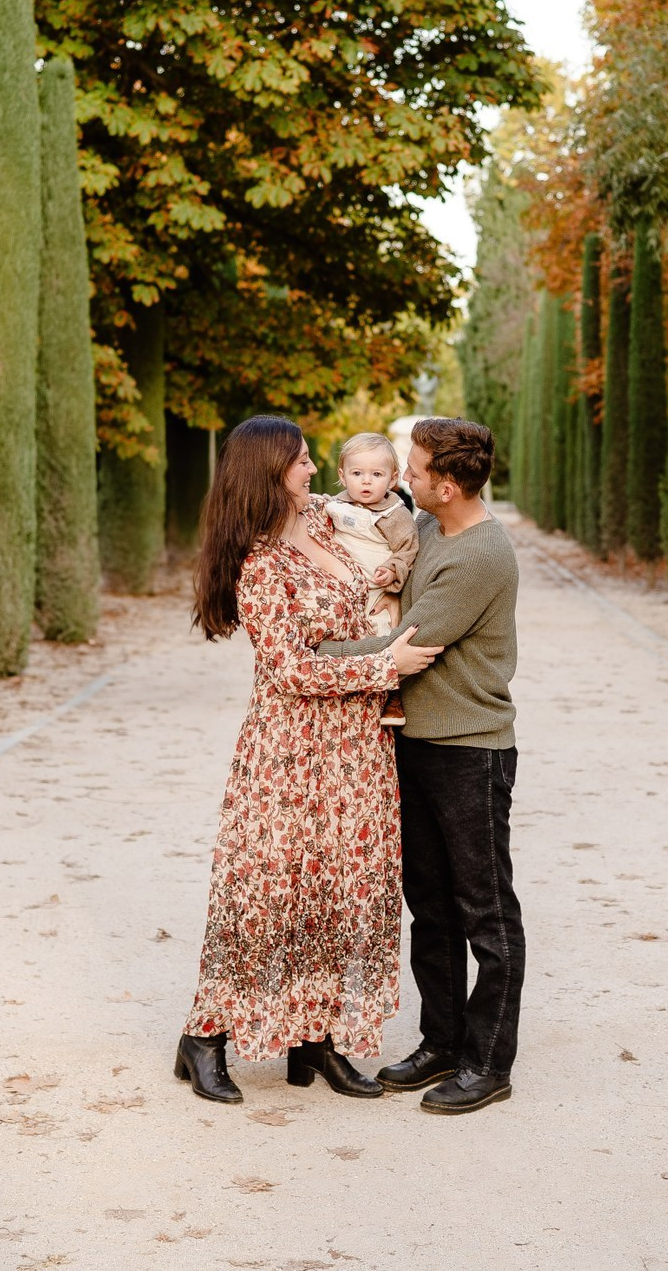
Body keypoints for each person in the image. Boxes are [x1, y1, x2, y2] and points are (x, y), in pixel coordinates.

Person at [176, 415, 441, 1107]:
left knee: (339, 889)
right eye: (300, 461)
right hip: (289, 749)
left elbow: (391, 514)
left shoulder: (324, 521)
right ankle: (204, 1036)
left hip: (355, 745)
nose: (314, 469)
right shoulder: (258, 561)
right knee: (263, 890)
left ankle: (314, 1038)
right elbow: (289, 668)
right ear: (270, 471)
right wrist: (386, 665)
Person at [319, 417, 523, 1115]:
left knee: (484, 911)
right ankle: (442, 1041)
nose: (402, 476)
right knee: (430, 907)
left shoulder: (481, 555)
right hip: (415, 740)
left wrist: (314, 655)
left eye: (414, 467)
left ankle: (488, 1062)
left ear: (448, 483)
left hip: (470, 749)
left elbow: (409, 643)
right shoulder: (428, 526)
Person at [323, 431, 420, 727]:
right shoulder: (332, 507)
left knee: (383, 635)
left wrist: (392, 570)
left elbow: (408, 548)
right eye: (357, 473)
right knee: (343, 638)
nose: (366, 482)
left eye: (376, 474)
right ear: (342, 476)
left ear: (392, 479)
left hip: (377, 588)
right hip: (343, 588)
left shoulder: (395, 514)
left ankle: (392, 696)